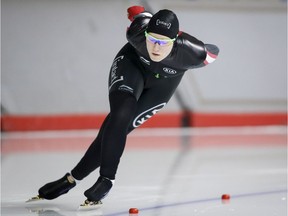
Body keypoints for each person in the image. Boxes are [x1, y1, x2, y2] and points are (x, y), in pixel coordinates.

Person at [36, 6, 219, 205]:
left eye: (163, 43)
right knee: (121, 113)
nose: (156, 48)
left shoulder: (194, 53)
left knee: (120, 127)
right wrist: (138, 13)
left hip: (163, 84)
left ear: (175, 41)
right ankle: (107, 179)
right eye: (152, 40)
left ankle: (71, 179)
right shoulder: (137, 32)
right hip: (132, 65)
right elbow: (138, 13)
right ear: (146, 34)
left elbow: (213, 52)